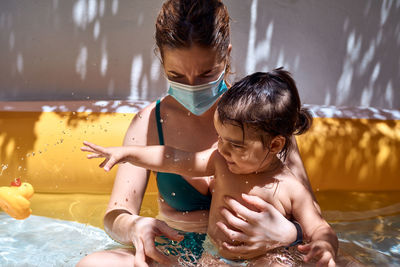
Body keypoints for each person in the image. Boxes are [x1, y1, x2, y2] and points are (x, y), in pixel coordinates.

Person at [77, 1, 319, 266]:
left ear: (225, 56)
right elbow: (114, 215)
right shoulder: (148, 123)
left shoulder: (262, 121)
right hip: (178, 251)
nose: (192, 87)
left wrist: (288, 234)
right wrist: (134, 226)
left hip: (261, 254)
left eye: (207, 74)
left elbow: (312, 218)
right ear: (162, 61)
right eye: (176, 75)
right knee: (94, 263)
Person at [82, 69, 338, 266]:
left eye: (236, 145)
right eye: (220, 138)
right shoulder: (220, 161)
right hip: (212, 256)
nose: (224, 149)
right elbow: (172, 157)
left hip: (267, 258)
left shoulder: (290, 187)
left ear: (274, 145)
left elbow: (319, 228)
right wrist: (127, 154)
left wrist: (325, 247)